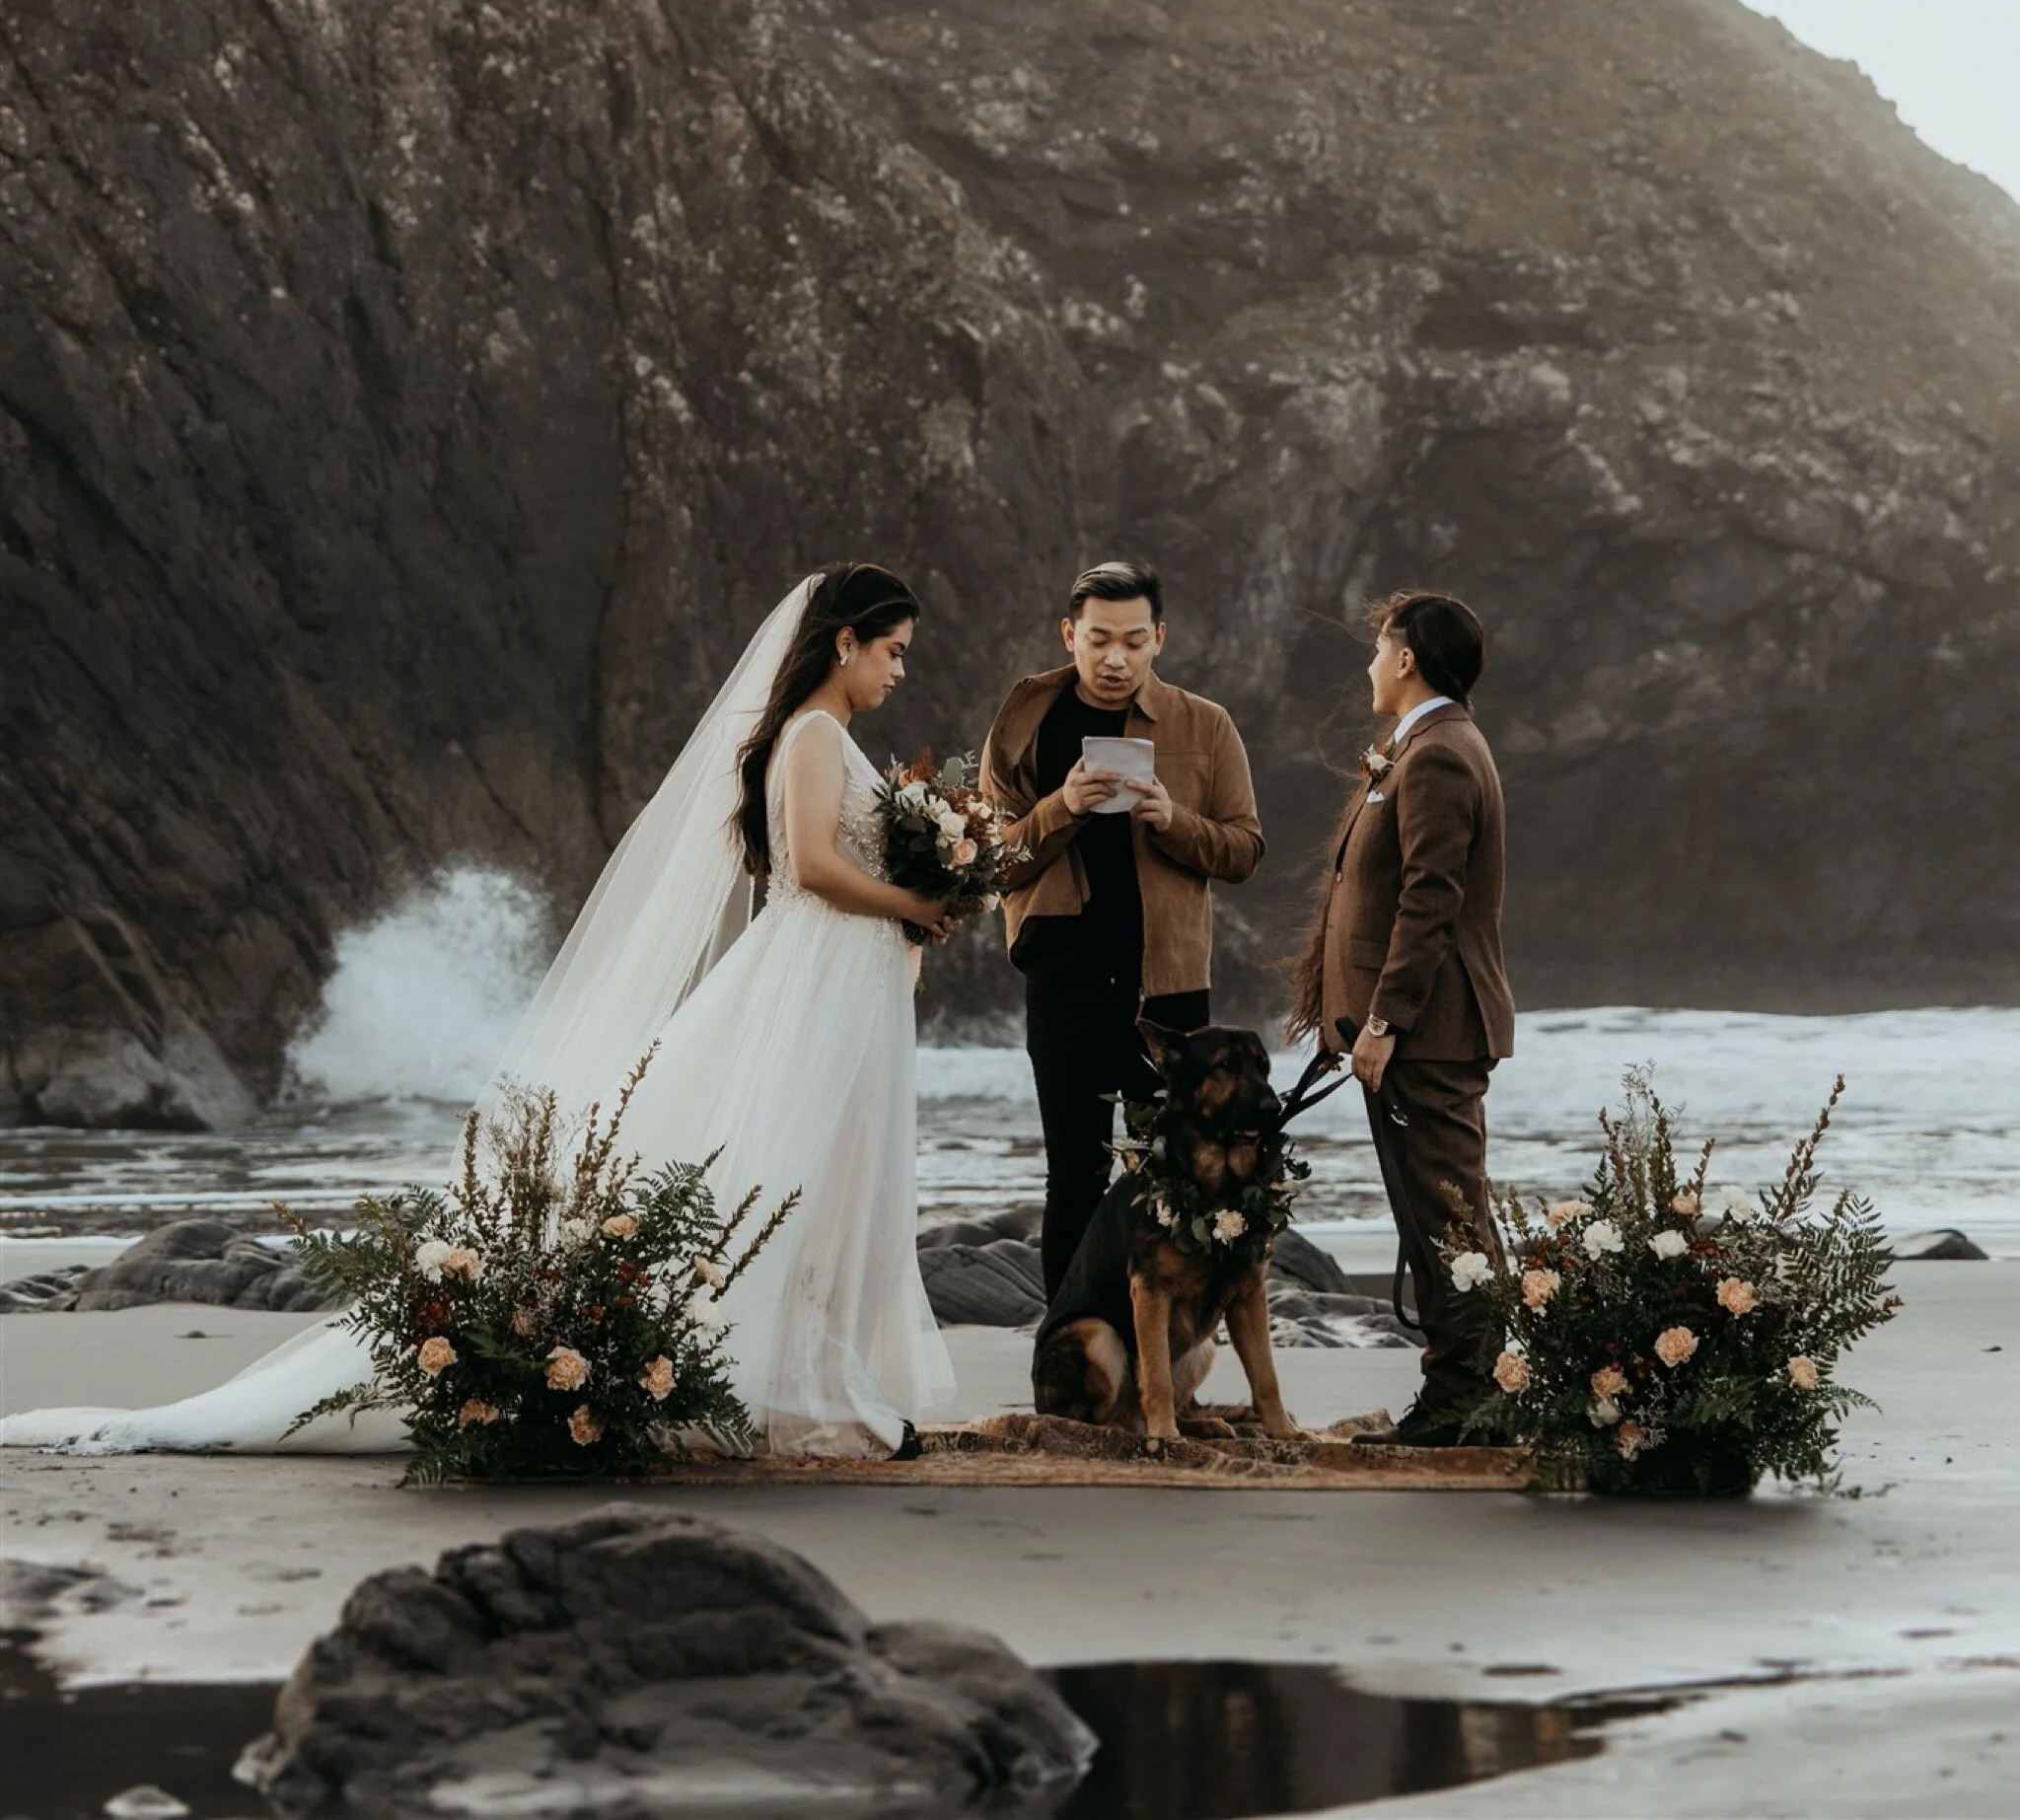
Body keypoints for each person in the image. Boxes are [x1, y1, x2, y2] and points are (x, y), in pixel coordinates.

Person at [1, 564, 957, 1461]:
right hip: (806, 979)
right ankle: (801, 1391)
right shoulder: (812, 736)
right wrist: (919, 901)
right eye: (893, 650)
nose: (900, 670)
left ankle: (813, 1384)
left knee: (816, 1179)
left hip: (838, 984)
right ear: (842, 644)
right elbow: (816, 867)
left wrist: (927, 887)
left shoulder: (830, 738)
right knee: (779, 1175)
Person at [981, 557, 1264, 1296]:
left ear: (1160, 638)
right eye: (1099, 638)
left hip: (1168, 986)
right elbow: (986, 861)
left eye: (1134, 641)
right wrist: (1061, 806)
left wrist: (1175, 821)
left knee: (1170, 1177)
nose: (1116, 658)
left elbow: (1244, 849)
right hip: (1065, 976)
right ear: (1069, 633)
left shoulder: (1206, 724)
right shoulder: (1026, 721)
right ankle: (1067, 1360)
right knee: (1074, 1172)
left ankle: (1160, 1374)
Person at [1290, 588, 1515, 1446]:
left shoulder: (1440, 754)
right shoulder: (1418, 745)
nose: (1369, 662)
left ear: (1408, 655)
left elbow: (1430, 897)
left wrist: (1384, 1021)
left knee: (1448, 1217)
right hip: (1411, 1033)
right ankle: (1469, 1391)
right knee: (1433, 1218)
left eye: (1379, 647)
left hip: (1431, 1032)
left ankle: (1468, 1400)